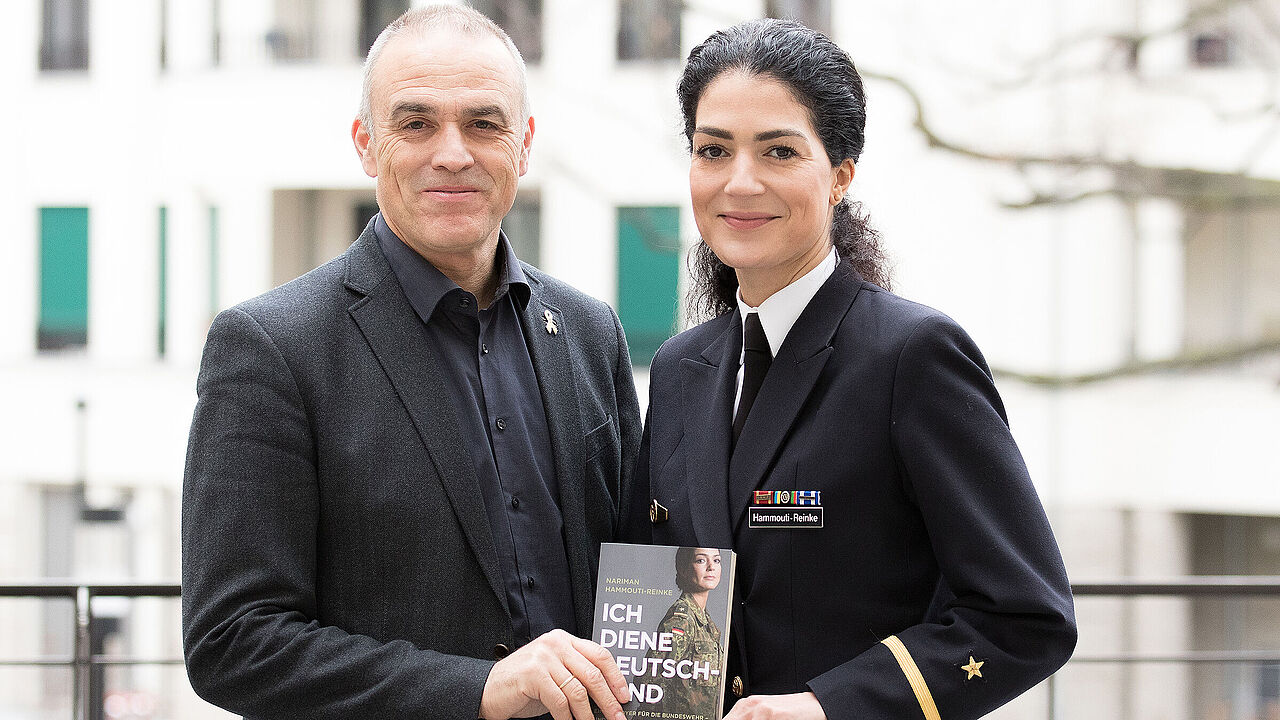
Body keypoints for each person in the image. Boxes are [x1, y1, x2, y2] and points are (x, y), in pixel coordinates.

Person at [181, 6, 641, 720]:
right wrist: (478, 691)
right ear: (367, 144)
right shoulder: (272, 347)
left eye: (484, 124)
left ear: (524, 144)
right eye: (417, 124)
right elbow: (233, 642)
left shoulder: (589, 331)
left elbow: (638, 573)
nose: (452, 154)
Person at [621, 19, 1077, 720]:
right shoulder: (682, 368)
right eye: (713, 150)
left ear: (839, 176)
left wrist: (827, 707)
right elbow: (664, 606)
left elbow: (1026, 616)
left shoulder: (913, 356)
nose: (740, 181)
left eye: (779, 151)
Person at [647, 547, 725, 719]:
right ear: (683, 568)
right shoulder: (681, 619)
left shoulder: (706, 622)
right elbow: (651, 682)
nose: (711, 567)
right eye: (701, 560)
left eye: (716, 560)